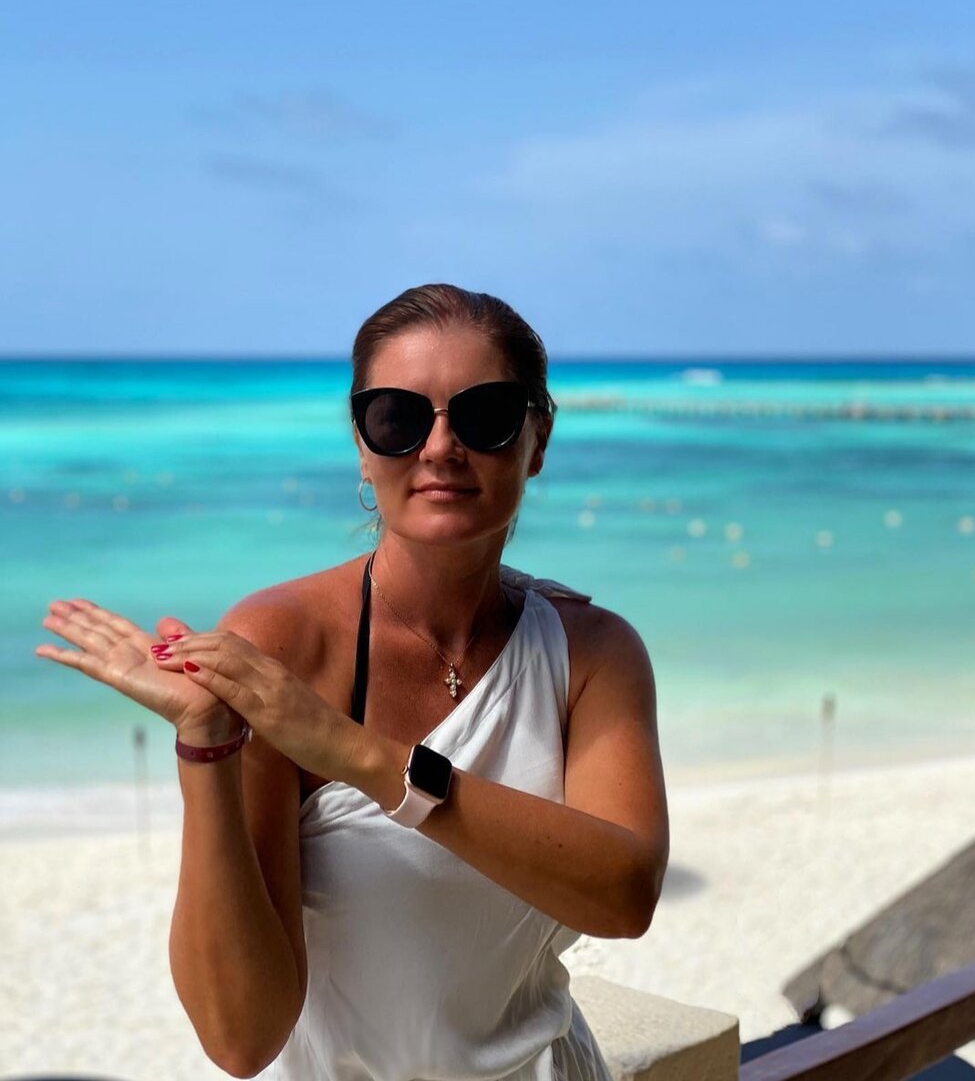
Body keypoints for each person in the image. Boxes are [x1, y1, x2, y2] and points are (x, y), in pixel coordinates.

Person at [36, 284, 670, 1081]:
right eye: (398, 419)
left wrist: (355, 753)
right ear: (364, 448)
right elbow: (241, 1039)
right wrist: (206, 744)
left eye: (484, 415)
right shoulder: (283, 644)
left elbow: (624, 897)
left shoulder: (591, 652)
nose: (440, 448)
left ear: (536, 440)